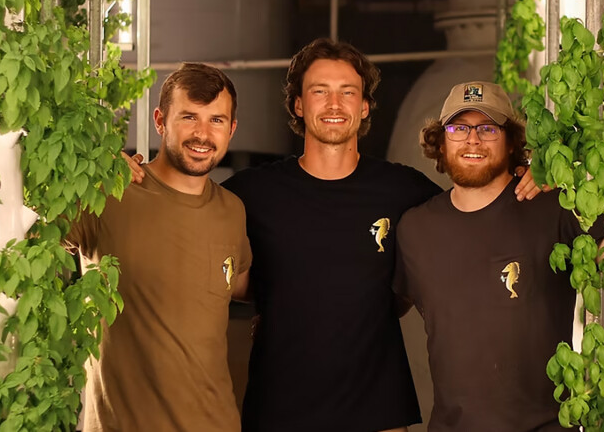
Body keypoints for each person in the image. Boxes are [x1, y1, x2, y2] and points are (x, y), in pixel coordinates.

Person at [126, 40, 543, 431]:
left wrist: (527, 175)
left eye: (347, 92)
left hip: (378, 412)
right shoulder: (250, 194)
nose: (334, 104)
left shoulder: (403, 191)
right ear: (298, 104)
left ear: (364, 106)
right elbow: (189, 221)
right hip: (279, 412)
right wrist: (127, 176)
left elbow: (475, 209)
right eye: (319, 91)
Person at [394, 81, 604, 432]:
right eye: (458, 128)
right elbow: (380, 315)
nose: (472, 140)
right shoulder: (414, 229)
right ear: (441, 142)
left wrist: (573, 175)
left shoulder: (552, 206)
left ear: (511, 142)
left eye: (488, 128)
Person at [64, 63, 252, 432]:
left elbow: (241, 285)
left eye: (216, 120)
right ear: (160, 121)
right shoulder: (111, 192)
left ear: (231, 129)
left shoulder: (232, 210)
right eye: (189, 117)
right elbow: (24, 237)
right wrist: (82, 172)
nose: (203, 134)